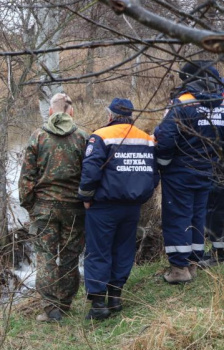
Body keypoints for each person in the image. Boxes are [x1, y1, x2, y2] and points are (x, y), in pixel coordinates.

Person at [79, 98, 158, 320]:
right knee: (123, 250)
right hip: (132, 206)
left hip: (104, 206)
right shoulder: (146, 138)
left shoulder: (101, 136)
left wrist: (85, 195)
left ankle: (98, 305)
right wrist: (146, 193)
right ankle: (115, 298)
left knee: (98, 251)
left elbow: (91, 168)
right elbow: (154, 172)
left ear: (111, 115)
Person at [18, 93, 88, 322]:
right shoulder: (82, 137)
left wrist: (31, 206)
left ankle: (51, 309)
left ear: (50, 111)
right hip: (74, 209)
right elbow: (90, 175)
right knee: (69, 257)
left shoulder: (38, 137)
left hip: (44, 209)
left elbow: (26, 177)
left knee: (46, 257)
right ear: (71, 112)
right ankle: (65, 303)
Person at [155, 61, 224, 282]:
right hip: (208, 168)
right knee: (197, 215)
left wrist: (162, 163)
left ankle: (179, 270)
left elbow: (165, 137)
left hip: (180, 170)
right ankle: (193, 263)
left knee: (178, 215)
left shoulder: (183, 103)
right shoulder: (221, 103)